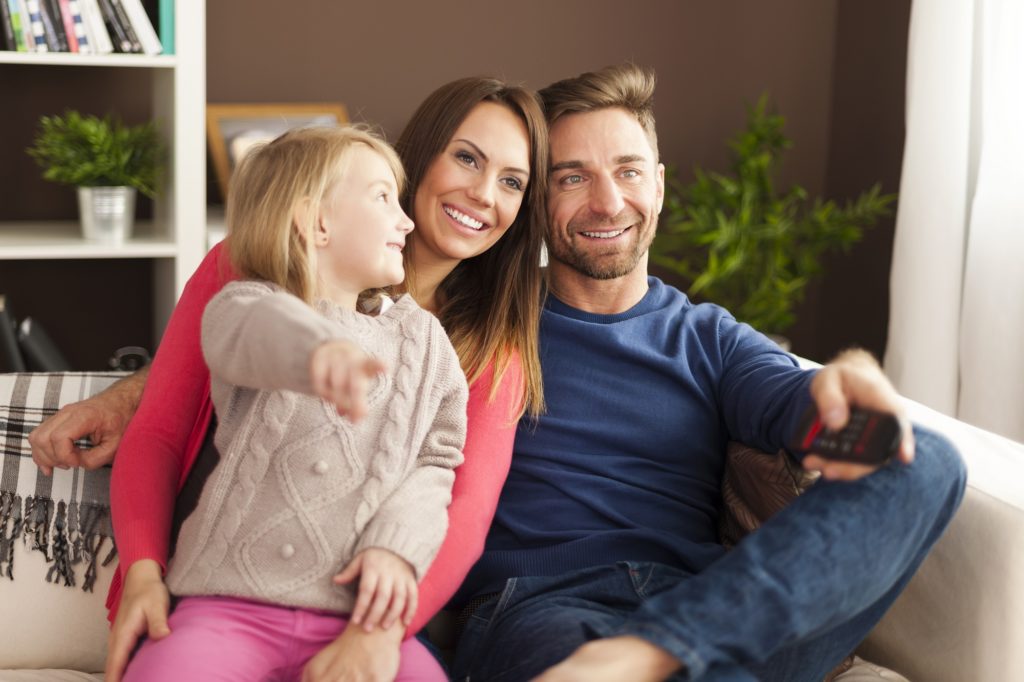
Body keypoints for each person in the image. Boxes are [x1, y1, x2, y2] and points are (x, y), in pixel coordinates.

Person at [446, 64, 967, 682]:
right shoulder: (481, 321)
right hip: (540, 609)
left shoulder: (710, 339)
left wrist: (850, 386)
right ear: (537, 199)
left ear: (659, 186)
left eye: (628, 171)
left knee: (922, 457)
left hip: (712, 613)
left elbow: (817, 420)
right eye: (572, 177)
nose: (609, 201)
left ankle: (654, 652)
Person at [30, 76, 548, 682]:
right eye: (466, 157)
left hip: (370, 614)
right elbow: (173, 416)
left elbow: (460, 508)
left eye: (512, 182)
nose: (484, 194)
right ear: (422, 155)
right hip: (221, 596)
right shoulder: (249, 268)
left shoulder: (488, 351)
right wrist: (143, 564)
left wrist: (376, 637)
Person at [121, 125, 468, 681]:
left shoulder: (427, 343)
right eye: (384, 197)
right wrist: (317, 351)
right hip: (225, 607)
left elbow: (437, 462)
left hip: (356, 619)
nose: (406, 221)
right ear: (315, 222)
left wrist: (396, 549)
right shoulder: (245, 304)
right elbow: (255, 332)